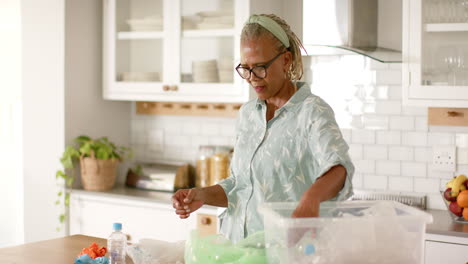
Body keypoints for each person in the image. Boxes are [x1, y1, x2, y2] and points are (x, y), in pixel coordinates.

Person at [172, 14, 354, 243]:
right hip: (239, 250)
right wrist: (202, 194)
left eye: (259, 68)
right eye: (245, 69)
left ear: (286, 60)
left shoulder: (312, 112)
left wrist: (310, 201)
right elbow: (241, 186)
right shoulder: (248, 114)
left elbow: (339, 168)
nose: (252, 78)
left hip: (286, 251)